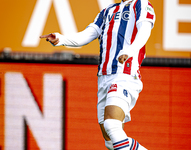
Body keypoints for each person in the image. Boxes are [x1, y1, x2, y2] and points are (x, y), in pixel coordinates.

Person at [40, 0, 155, 149]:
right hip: (104, 77)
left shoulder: (141, 4)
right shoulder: (108, 10)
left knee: (112, 124)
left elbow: (144, 31)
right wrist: (61, 39)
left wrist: (129, 51)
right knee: (110, 141)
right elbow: (88, 34)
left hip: (124, 73)